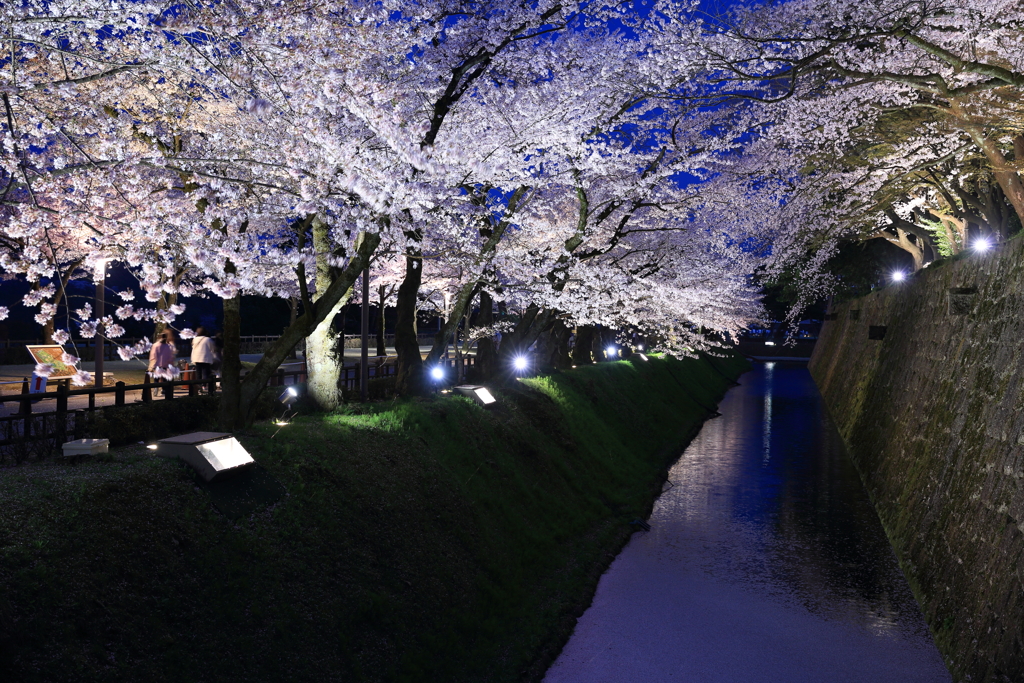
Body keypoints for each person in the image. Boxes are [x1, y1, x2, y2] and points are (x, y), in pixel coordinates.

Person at [148, 329, 176, 398]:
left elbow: (153, 355)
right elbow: (170, 356)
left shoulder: (155, 345)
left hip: (157, 364)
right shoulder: (168, 346)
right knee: (164, 378)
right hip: (165, 364)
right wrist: (171, 363)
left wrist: (152, 362)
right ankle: (164, 390)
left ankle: (155, 388)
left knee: (156, 378)